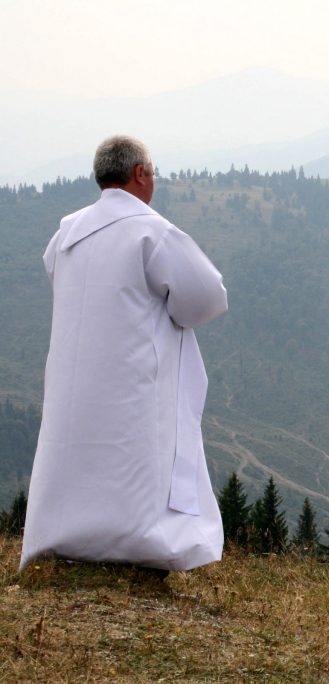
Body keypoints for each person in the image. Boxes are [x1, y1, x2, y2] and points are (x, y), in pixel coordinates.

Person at [19, 135, 228, 572]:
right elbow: (208, 297)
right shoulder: (152, 230)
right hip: (133, 379)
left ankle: (63, 537)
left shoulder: (67, 233)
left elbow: (56, 273)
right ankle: (138, 546)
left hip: (74, 378)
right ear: (140, 174)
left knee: (74, 452)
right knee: (133, 459)